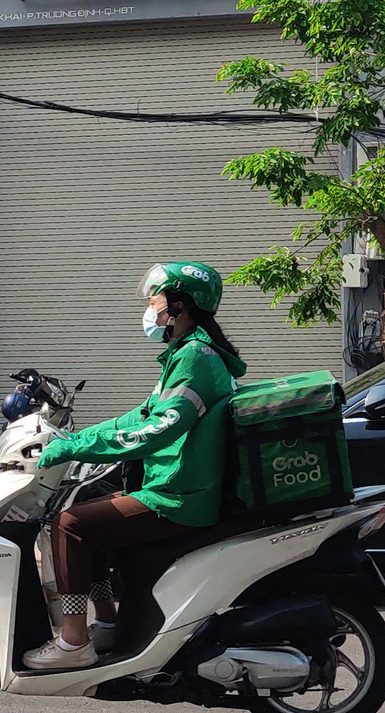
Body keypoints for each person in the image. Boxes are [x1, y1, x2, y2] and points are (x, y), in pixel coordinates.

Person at [22, 262, 247, 670]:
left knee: (69, 524)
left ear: (179, 305)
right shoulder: (187, 353)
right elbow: (139, 416)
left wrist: (80, 448)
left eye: (155, 298)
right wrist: (75, 439)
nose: (149, 306)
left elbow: (157, 431)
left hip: (179, 496)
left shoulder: (197, 358)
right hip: (173, 485)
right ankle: (107, 623)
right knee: (94, 509)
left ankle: (74, 641)